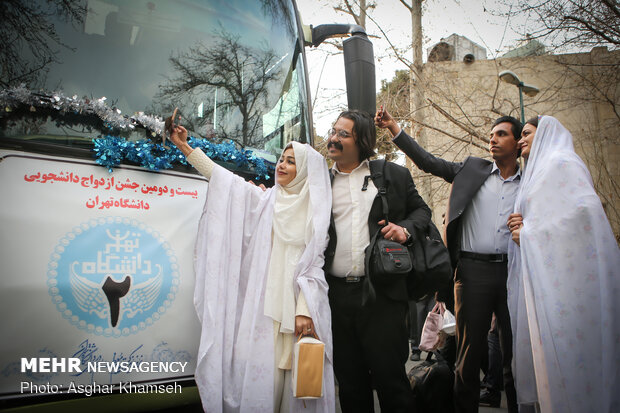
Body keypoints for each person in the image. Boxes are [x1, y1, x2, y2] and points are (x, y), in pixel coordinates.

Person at [168, 124, 336, 413]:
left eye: (291, 162)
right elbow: (224, 181)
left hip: (298, 311)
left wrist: (303, 310)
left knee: (298, 381)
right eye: (282, 159)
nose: (281, 165)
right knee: (264, 380)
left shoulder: (315, 213)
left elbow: (314, 265)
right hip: (263, 309)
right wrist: (185, 147)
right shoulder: (265, 200)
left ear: (306, 172)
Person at [375, 107, 519, 413]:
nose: (493, 140)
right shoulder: (473, 169)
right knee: (468, 353)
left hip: (514, 273)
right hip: (471, 272)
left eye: (501, 134)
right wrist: (394, 129)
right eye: (491, 135)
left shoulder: (530, 181)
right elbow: (429, 162)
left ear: (518, 143)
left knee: (516, 355)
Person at [506, 116, 620, 413]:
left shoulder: (562, 163)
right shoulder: (539, 171)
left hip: (569, 288)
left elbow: (585, 213)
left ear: (545, 133)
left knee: (572, 357)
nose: (520, 140)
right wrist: (521, 224)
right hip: (545, 282)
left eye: (526, 133)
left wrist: (529, 233)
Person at [324, 109, 431, 412]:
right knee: (350, 384)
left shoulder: (391, 175)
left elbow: (422, 212)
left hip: (383, 296)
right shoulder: (319, 180)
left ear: (363, 141)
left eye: (343, 134)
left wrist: (405, 230)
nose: (333, 138)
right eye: (334, 131)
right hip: (336, 297)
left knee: (391, 382)